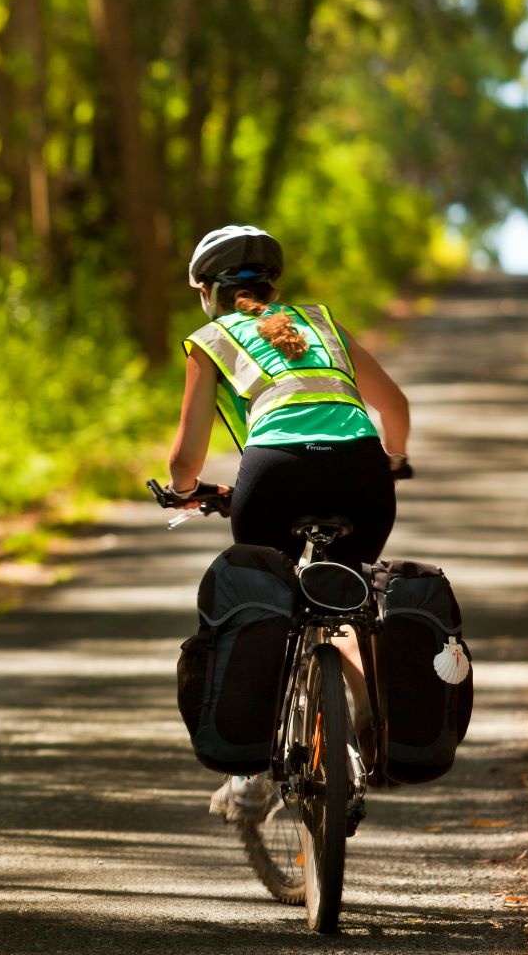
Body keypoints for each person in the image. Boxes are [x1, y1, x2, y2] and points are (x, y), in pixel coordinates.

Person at [161, 224, 411, 823]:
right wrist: (394, 460)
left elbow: (185, 458)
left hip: (274, 474)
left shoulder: (212, 339)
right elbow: (395, 406)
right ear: (273, 286)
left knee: (262, 606)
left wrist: (185, 492)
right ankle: (368, 715)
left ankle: (248, 781)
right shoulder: (323, 324)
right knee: (348, 595)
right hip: (362, 474)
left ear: (206, 291)